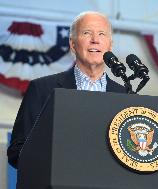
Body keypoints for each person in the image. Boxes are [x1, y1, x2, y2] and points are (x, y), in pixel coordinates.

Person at [7, 11, 126, 169]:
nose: (95, 40)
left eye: (102, 34)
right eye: (86, 33)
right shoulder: (42, 89)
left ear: (110, 45)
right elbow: (17, 152)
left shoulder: (125, 96)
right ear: (72, 43)